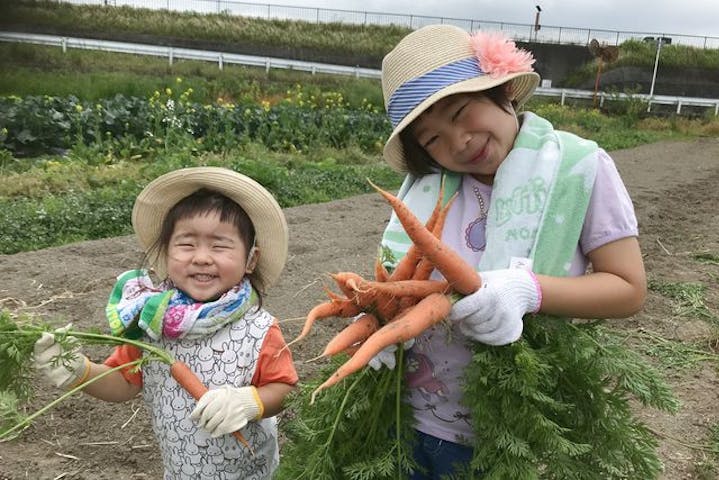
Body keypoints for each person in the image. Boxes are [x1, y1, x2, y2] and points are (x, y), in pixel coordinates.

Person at [374, 25, 647, 479]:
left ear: (503, 91)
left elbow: (628, 288)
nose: (458, 141)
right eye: (432, 140)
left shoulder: (579, 169)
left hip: (509, 426)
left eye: (462, 112)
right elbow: (390, 276)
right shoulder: (426, 190)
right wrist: (380, 322)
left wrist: (528, 290)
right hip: (409, 416)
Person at [33, 167, 298, 480]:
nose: (201, 257)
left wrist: (250, 402)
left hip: (251, 473)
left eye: (219, 245)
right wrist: (80, 372)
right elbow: (124, 383)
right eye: (186, 244)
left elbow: (285, 389)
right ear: (166, 253)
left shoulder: (258, 328)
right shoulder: (150, 323)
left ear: (251, 260)